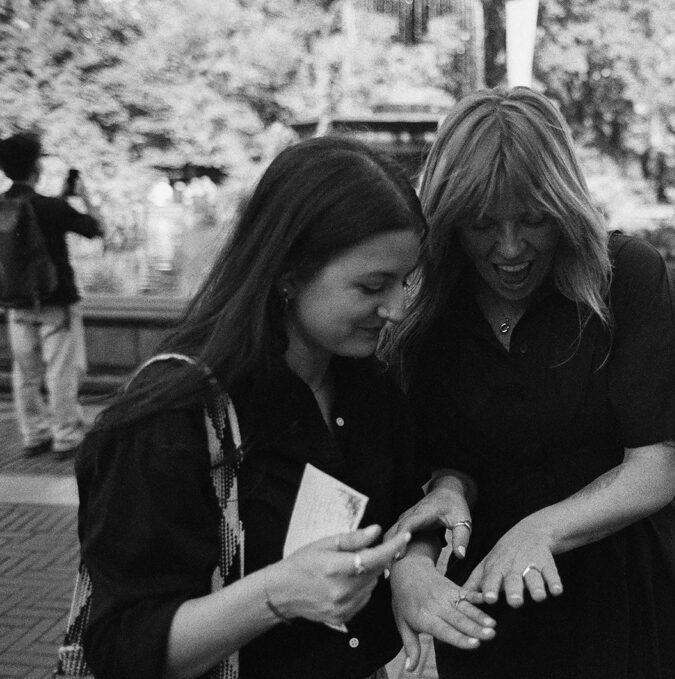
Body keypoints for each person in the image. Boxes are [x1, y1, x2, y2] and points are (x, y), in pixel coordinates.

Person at [75, 137, 495, 679]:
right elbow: (120, 647)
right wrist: (277, 594)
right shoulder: (172, 419)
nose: (394, 310)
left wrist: (415, 558)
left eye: (405, 281)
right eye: (372, 286)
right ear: (289, 274)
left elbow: (409, 507)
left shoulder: (372, 386)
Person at [385, 87, 675, 678]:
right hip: (492, 605)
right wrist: (419, 549)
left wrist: (541, 527)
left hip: (630, 601)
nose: (511, 248)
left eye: (534, 218)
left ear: (566, 205)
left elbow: (654, 467)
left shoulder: (628, 279)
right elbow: (437, 463)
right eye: (481, 224)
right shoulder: (427, 314)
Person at [0, 133, 103, 460]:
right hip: (56, 302)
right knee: (60, 371)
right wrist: (83, 197)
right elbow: (95, 228)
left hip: (16, 303)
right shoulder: (51, 207)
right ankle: (66, 436)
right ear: (36, 168)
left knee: (25, 374)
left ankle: (34, 434)